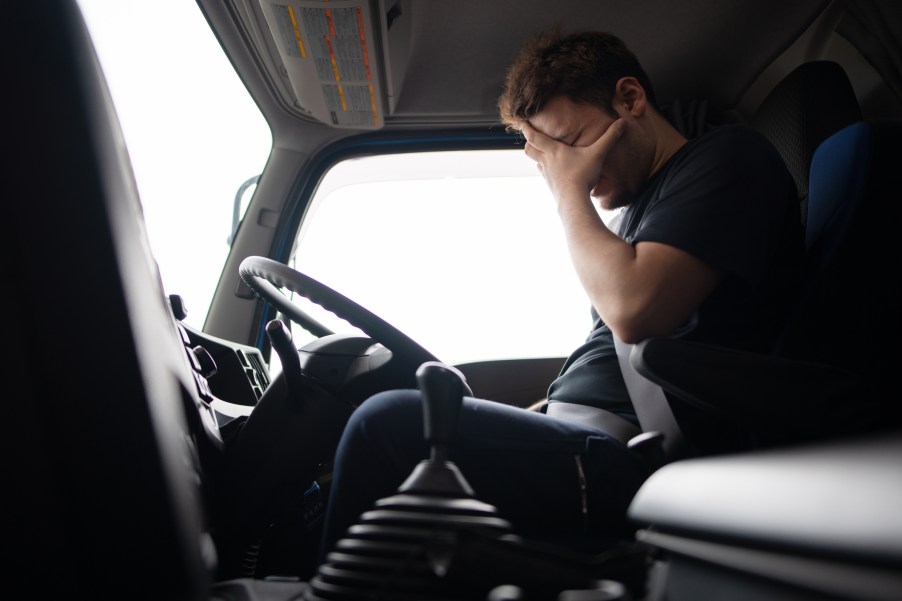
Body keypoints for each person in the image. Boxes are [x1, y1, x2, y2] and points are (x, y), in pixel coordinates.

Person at [316, 28, 803, 560]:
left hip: (641, 457)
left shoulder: (728, 159)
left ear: (631, 99)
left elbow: (633, 310)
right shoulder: (644, 212)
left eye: (572, 144)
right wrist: (527, 419)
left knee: (385, 426)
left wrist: (566, 191)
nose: (573, 170)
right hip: (588, 436)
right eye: (553, 160)